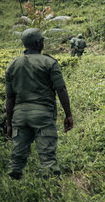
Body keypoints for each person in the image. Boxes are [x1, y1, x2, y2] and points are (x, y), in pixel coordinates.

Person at [5, 28, 74, 179]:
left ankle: (13, 183)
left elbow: (10, 98)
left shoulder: (12, 65)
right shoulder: (49, 62)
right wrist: (68, 115)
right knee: (47, 156)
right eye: (42, 41)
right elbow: (61, 89)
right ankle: (51, 190)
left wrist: (9, 123)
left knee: (17, 156)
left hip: (20, 116)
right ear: (38, 43)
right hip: (43, 115)